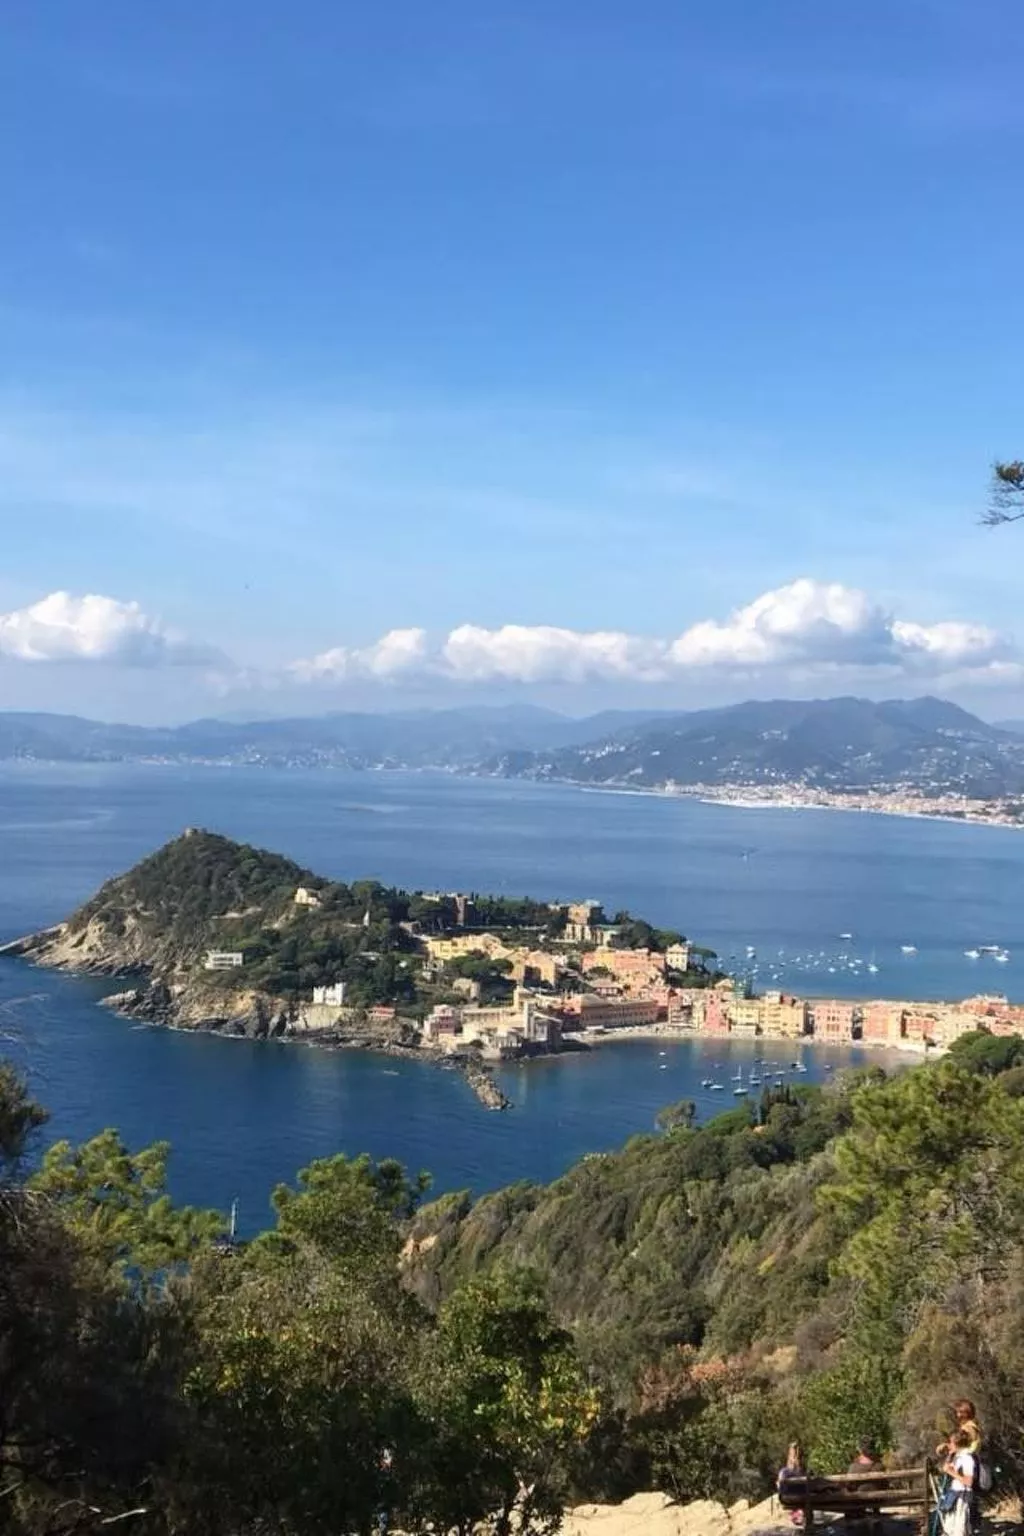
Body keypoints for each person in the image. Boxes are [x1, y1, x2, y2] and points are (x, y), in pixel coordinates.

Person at [942, 1428, 977, 1536]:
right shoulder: (957, 1457)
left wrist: (952, 1473)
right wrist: (949, 1456)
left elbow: (969, 1481)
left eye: (951, 1442)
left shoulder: (967, 1458)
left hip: (963, 1494)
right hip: (955, 1494)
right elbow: (945, 1468)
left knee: (960, 1528)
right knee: (949, 1527)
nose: (949, 1445)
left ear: (957, 1443)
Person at [777, 1441, 806, 1526]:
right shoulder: (800, 1472)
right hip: (799, 1496)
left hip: (790, 1496)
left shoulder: (785, 1471)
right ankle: (799, 1516)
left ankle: (799, 1516)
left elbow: (780, 1484)